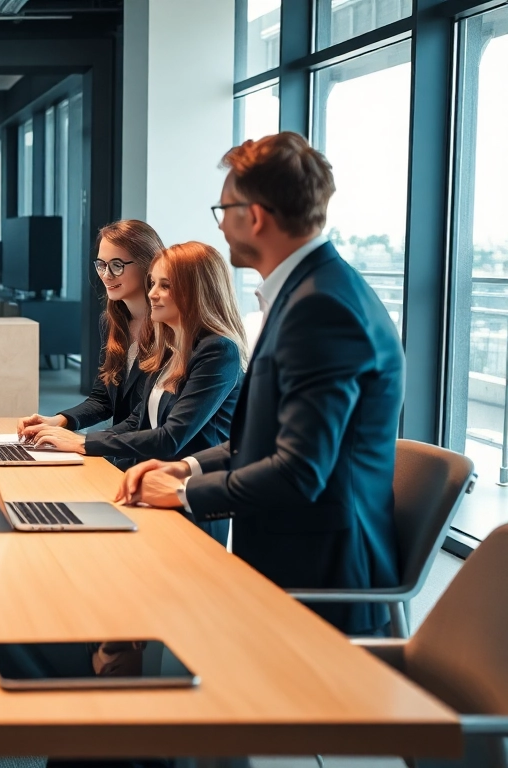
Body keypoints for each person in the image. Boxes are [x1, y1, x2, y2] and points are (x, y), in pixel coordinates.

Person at [117, 132, 405, 635]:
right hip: (289, 564)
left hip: (318, 586)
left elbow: (298, 472)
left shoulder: (321, 308)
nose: (220, 225)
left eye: (223, 210)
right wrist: (186, 465)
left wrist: (185, 492)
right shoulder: (309, 292)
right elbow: (268, 440)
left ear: (253, 217)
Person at [25, 242, 247, 546]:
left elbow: (171, 437)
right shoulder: (170, 345)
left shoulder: (218, 350)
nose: (152, 293)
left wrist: (83, 443)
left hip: (184, 500)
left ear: (197, 291)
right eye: (153, 283)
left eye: (165, 286)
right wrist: (74, 440)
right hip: (150, 489)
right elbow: (137, 420)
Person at [17, 220, 162, 443]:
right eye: (101, 264)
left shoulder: (170, 328)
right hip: (120, 450)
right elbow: (102, 399)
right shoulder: (112, 322)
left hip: (151, 453)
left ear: (147, 265)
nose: (106, 275)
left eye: (117, 265)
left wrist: (83, 442)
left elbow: (144, 417)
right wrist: (57, 421)